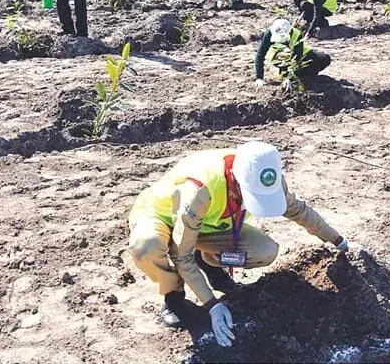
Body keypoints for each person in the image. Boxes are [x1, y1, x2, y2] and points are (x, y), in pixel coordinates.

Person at [127, 140, 349, 340]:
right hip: (162, 215)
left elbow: (298, 210)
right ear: (236, 181)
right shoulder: (200, 189)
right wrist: (212, 304)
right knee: (146, 247)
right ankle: (173, 296)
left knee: (264, 250)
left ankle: (208, 261)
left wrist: (336, 239)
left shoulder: (265, 175)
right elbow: (180, 254)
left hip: (208, 225)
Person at [254, 18, 332, 89]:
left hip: (298, 56)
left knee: (324, 59)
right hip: (278, 57)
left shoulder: (296, 34)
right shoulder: (269, 33)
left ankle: (301, 74)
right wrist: (259, 78)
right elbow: (260, 55)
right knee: (288, 60)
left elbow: (297, 57)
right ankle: (287, 72)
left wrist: (289, 78)